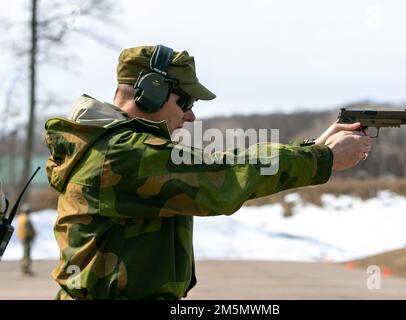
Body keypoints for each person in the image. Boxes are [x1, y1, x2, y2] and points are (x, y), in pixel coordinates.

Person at [44, 44, 372, 299]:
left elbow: (215, 167)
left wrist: (313, 148)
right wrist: (320, 159)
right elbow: (222, 178)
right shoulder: (119, 155)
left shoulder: (114, 148)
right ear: (151, 91)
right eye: (184, 101)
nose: (189, 117)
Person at [17, 203, 36, 276]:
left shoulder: (21, 218)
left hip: (23, 238)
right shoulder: (25, 218)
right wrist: (32, 235)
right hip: (26, 238)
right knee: (27, 253)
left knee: (25, 253)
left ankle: (25, 268)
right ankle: (26, 268)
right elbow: (28, 230)